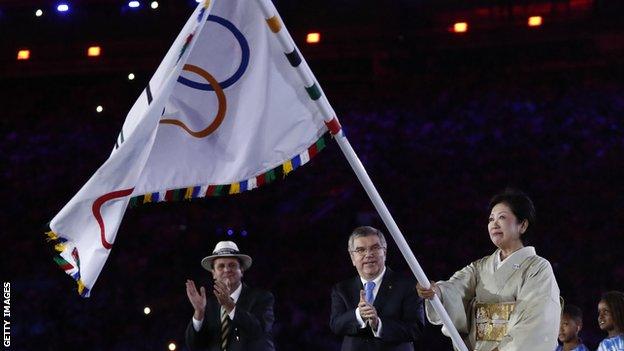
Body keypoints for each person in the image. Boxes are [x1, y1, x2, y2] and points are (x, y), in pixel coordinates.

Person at [416, 188, 560, 351]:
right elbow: (457, 287)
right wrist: (437, 292)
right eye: (491, 219)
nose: (494, 224)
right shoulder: (480, 267)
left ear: (523, 225)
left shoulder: (537, 268)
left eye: (502, 217)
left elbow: (535, 320)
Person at [330, 226, 424, 351]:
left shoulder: (408, 286)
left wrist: (378, 324)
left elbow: (415, 329)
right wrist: (359, 315)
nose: (368, 254)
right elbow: (336, 325)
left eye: (374, 248)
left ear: (384, 252)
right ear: (352, 258)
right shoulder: (341, 289)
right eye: (360, 250)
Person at [185, 240, 275, 351]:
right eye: (221, 266)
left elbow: (258, 331)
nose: (227, 270)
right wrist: (199, 313)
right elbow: (194, 346)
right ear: (213, 273)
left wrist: (229, 305)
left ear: (241, 270)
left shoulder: (262, 298)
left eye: (232, 265)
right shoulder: (207, 305)